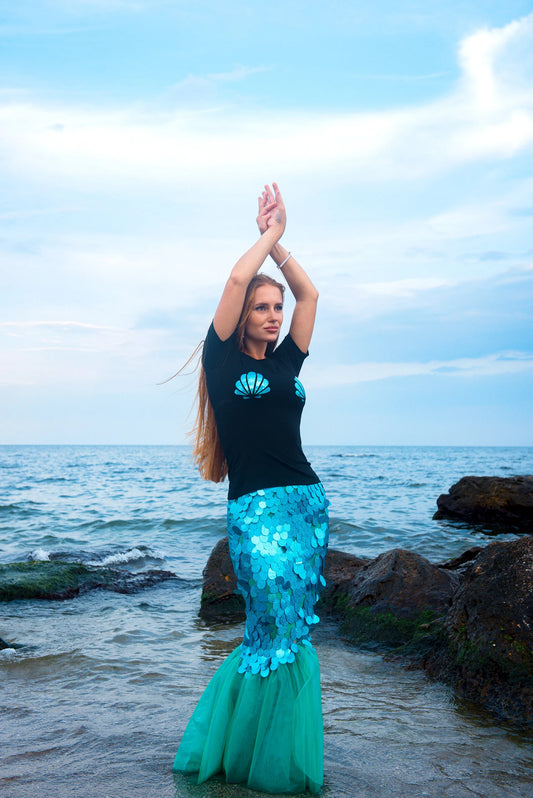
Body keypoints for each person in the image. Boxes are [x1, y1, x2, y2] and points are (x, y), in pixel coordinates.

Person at [173, 183, 329, 794]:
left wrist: (282, 249)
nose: (273, 315)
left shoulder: (287, 362)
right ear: (242, 315)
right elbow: (237, 278)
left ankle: (269, 755)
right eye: (262, 307)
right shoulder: (222, 363)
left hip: (306, 508)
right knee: (270, 629)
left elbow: (311, 295)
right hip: (256, 514)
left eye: (275, 308)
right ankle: (250, 755)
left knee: (291, 632)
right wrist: (268, 234)